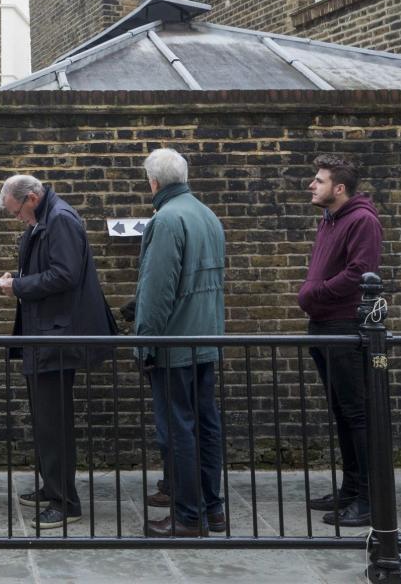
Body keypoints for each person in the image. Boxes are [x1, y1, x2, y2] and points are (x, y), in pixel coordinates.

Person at [0, 174, 113, 530]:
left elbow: (65, 274)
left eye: (18, 212)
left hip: (56, 336)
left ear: (31, 198)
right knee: (46, 421)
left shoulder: (59, 218)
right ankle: (52, 488)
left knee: (54, 422)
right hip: (44, 333)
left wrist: (18, 286)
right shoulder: (46, 218)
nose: (18, 219)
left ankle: (66, 503)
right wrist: (18, 277)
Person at [134, 149, 227, 538]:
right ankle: (211, 508)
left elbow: (158, 291)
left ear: (153, 183)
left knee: (178, 430)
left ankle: (188, 517)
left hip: (175, 342)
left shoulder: (166, 220)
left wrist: (145, 345)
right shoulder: (207, 215)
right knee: (205, 424)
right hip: (205, 337)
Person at [299, 154, 382, 527]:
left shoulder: (362, 220)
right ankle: (350, 489)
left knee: (356, 413)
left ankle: (368, 499)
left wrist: (317, 294)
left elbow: (360, 273)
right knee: (341, 412)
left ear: (340, 188)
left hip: (345, 326)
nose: (312, 185)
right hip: (323, 325)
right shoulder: (329, 220)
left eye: (319, 180)